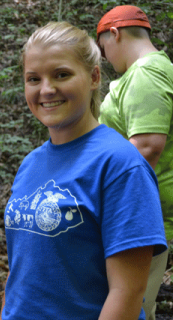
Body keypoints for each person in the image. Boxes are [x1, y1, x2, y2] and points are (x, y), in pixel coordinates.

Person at [0, 21, 167, 320]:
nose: (46, 89)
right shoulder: (30, 164)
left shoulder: (121, 165)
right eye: (33, 78)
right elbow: (20, 274)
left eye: (61, 75)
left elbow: (127, 294)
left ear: (93, 77)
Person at [96, 6, 173, 319]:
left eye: (103, 49)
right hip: (137, 212)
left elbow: (146, 147)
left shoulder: (146, 72)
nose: (105, 58)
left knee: (130, 308)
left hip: (137, 216)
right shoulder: (154, 69)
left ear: (114, 33)